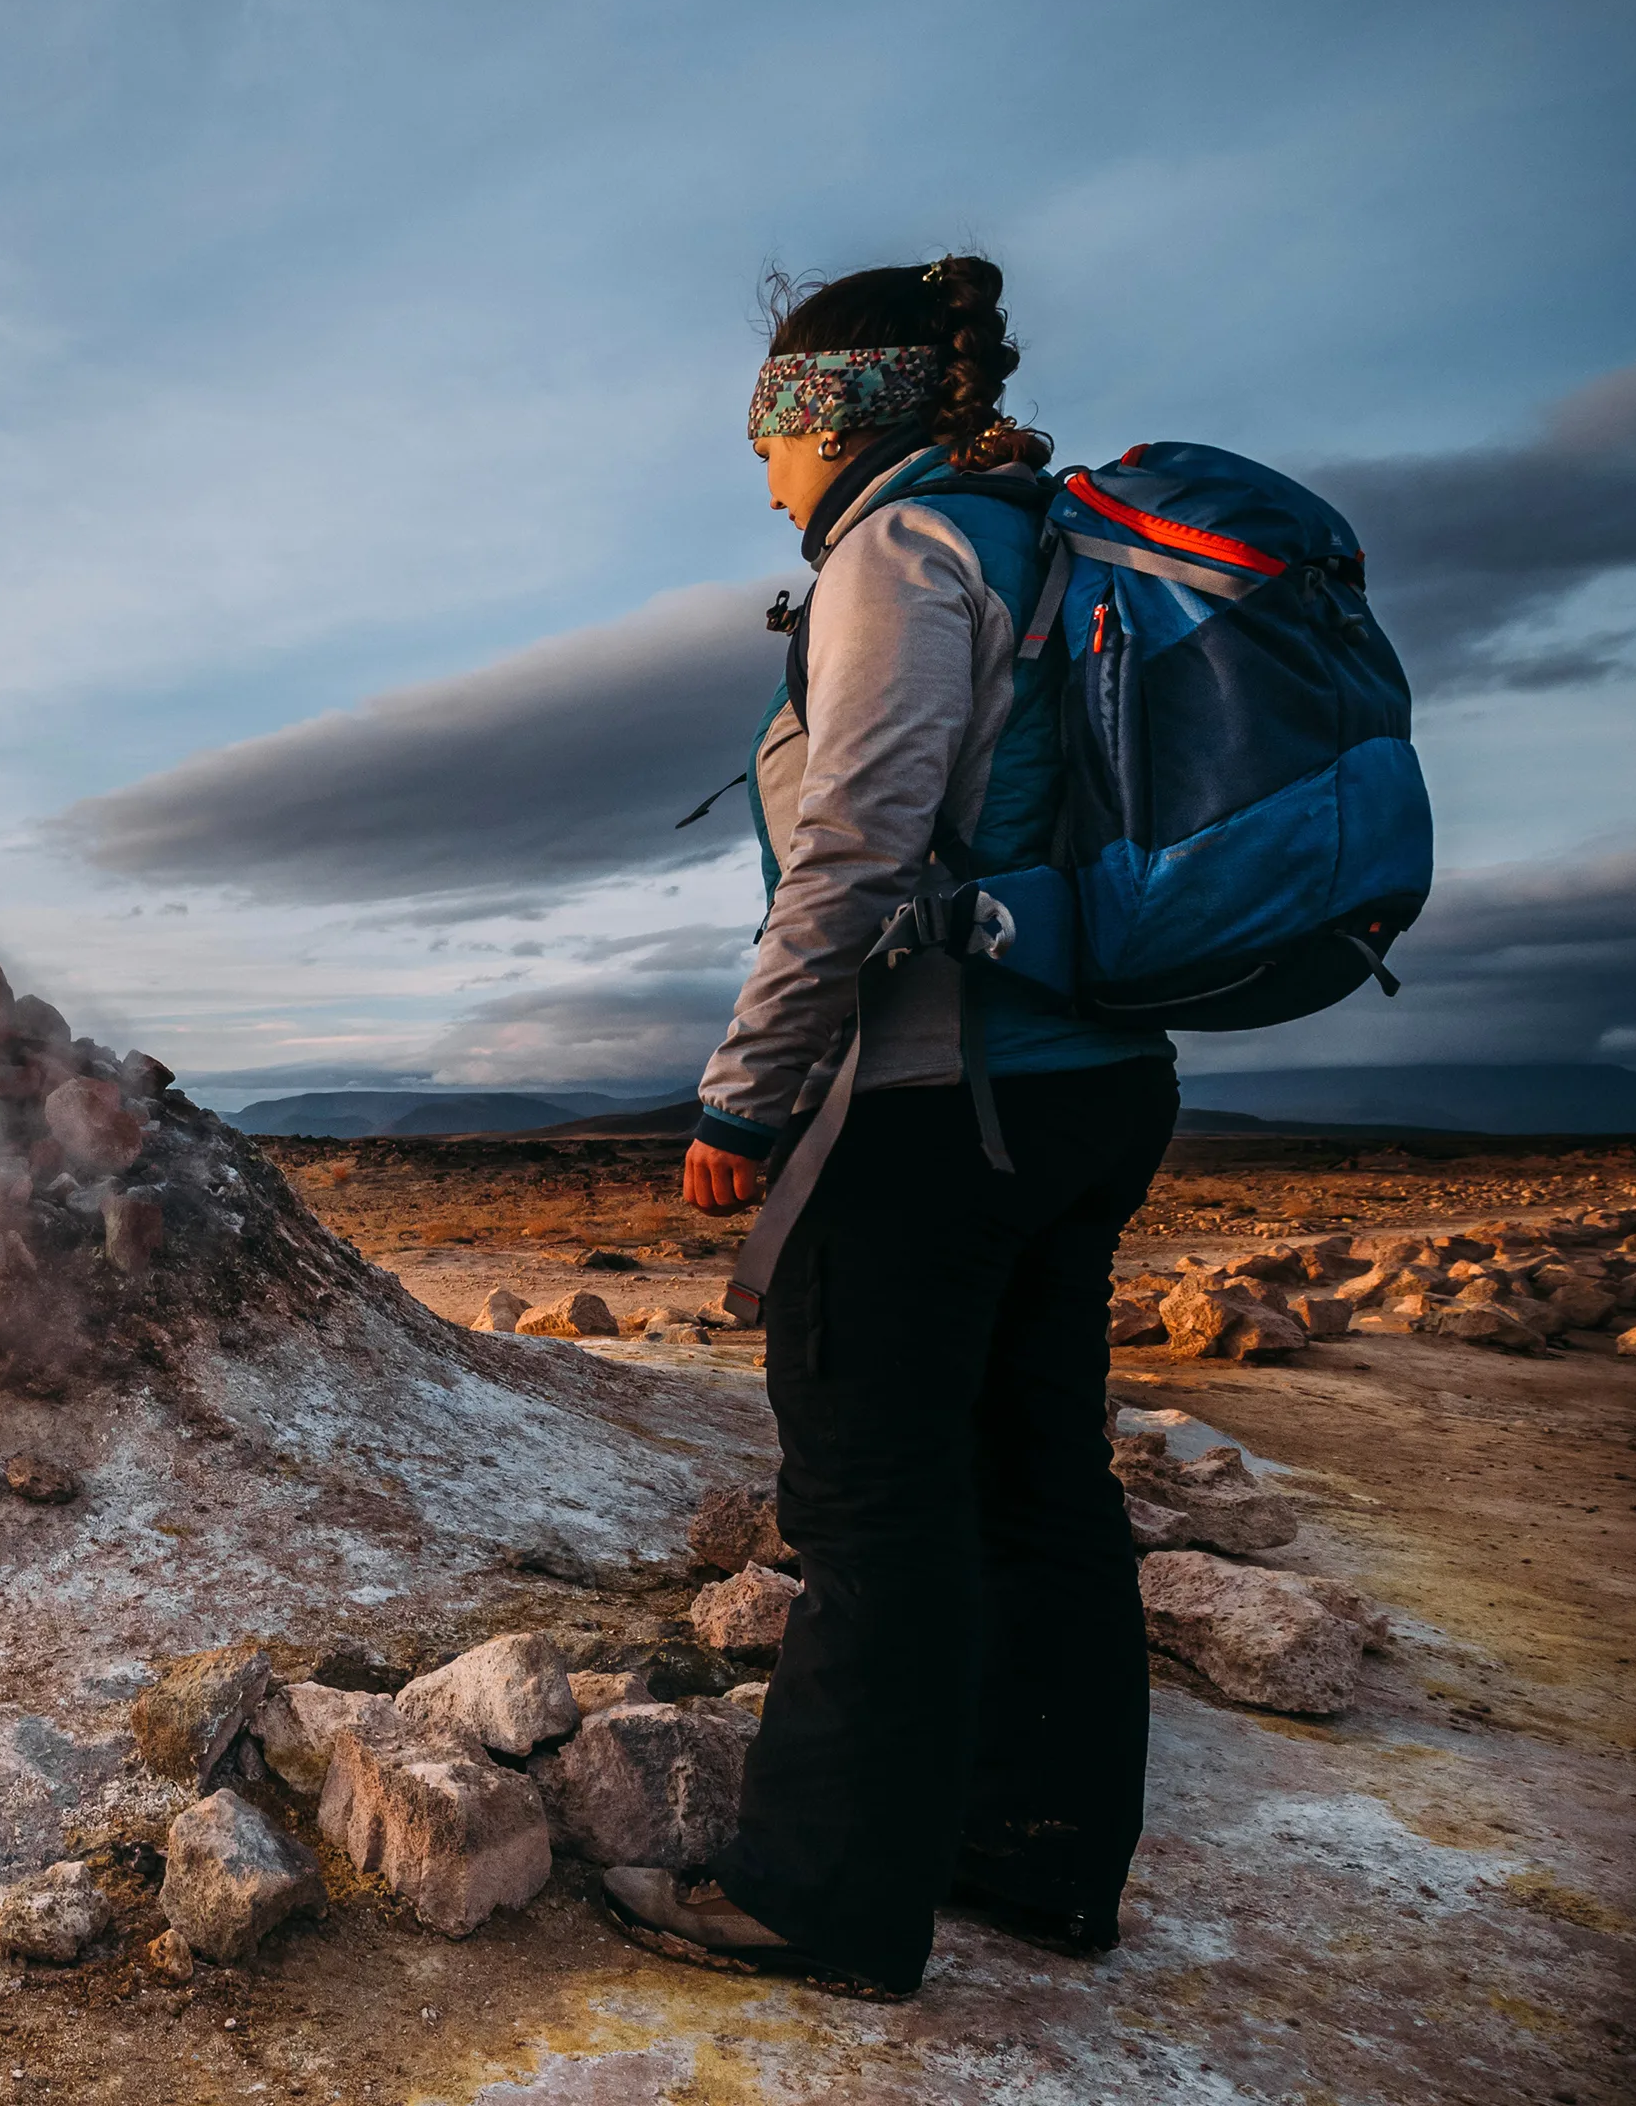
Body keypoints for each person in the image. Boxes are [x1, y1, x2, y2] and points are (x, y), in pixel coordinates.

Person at [601, 256, 1177, 1998]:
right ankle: (1039, 1856)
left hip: (939, 1100)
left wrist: (744, 1099)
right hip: (1097, 1084)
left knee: (875, 1504)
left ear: (826, 417)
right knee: (1038, 1480)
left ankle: (822, 1894)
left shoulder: (901, 556)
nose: (762, 475)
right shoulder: (1050, 544)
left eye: (766, 436)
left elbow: (855, 844)